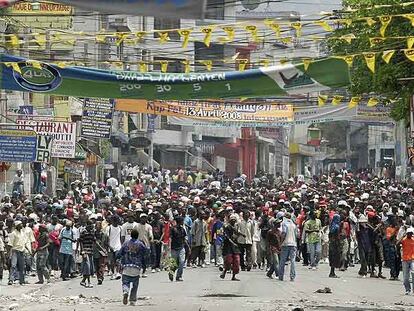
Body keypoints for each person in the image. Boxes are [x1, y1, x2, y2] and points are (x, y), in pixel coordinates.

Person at [117, 229, 147, 306]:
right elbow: (146, 253)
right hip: (136, 267)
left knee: (125, 282)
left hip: (126, 267)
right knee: (135, 285)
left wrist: (118, 258)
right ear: (137, 236)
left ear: (131, 235)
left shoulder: (126, 243)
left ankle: (125, 291)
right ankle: (132, 300)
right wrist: (144, 266)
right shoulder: (140, 244)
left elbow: (119, 253)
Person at [220, 214, 243, 281]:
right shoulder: (227, 227)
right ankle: (224, 271)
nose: (233, 221)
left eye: (234, 220)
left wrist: (242, 235)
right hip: (228, 246)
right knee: (229, 261)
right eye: (232, 220)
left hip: (235, 247)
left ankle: (234, 276)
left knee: (237, 261)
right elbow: (227, 237)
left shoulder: (236, 227)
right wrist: (233, 243)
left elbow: (237, 233)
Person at [279, 213, 298, 281]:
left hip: (285, 244)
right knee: (292, 261)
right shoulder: (293, 224)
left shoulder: (284, 223)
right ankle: (292, 276)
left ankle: (281, 276)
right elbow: (297, 235)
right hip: (293, 244)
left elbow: (284, 233)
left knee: (282, 260)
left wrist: (281, 243)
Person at [8, 220, 27, 285]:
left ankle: (22, 280)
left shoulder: (22, 233)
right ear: (17, 226)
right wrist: (9, 254)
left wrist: (29, 250)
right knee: (13, 266)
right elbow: (10, 244)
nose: (22, 225)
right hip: (15, 251)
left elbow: (24, 243)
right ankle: (11, 279)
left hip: (22, 251)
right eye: (20, 224)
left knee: (22, 267)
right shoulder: (13, 233)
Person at [168, 216, 187, 282]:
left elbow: (184, 239)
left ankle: (179, 276)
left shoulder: (182, 229)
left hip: (181, 247)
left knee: (182, 262)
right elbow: (170, 238)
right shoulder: (173, 229)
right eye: (182, 221)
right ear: (179, 222)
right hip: (174, 248)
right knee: (174, 263)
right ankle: (171, 273)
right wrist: (169, 246)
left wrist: (188, 247)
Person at [135, 213, 153, 278]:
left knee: (145, 259)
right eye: (142, 217)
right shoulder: (136, 226)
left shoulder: (149, 226)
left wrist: (151, 238)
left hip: (146, 244)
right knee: (138, 259)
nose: (144, 219)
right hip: (138, 245)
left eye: (145, 217)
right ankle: (138, 272)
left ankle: (144, 272)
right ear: (140, 218)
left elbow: (150, 235)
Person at [79, 221, 96, 288]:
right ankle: (89, 282)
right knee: (87, 267)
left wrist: (102, 249)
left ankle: (83, 281)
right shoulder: (83, 232)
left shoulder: (92, 232)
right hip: (85, 251)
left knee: (90, 268)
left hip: (91, 251)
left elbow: (94, 241)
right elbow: (81, 242)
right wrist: (82, 251)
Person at [398, 227, 414, 295]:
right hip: (405, 260)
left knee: (413, 274)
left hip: (412, 259)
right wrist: (402, 236)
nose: (409, 235)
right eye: (408, 233)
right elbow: (397, 244)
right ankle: (408, 289)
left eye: (411, 233)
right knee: (405, 278)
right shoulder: (404, 240)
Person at [106, 216, 122, 280]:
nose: (116, 221)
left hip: (118, 246)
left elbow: (121, 237)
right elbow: (107, 238)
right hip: (111, 247)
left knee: (118, 260)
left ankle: (118, 273)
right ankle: (112, 273)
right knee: (112, 262)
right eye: (114, 220)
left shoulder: (120, 228)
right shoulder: (109, 228)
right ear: (112, 221)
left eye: (117, 220)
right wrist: (109, 246)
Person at [329, 214, 342, 278]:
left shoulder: (331, 225)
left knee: (332, 257)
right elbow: (337, 237)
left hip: (331, 243)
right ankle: (332, 273)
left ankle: (332, 272)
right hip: (335, 244)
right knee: (335, 258)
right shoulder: (337, 226)